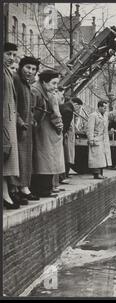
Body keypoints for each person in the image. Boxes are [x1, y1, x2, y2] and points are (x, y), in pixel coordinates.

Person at [10, 56, 41, 203]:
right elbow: (12, 104)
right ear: (21, 66)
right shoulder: (16, 80)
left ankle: (23, 187)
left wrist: (32, 119)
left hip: (26, 128)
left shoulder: (26, 83)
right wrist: (20, 121)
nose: (30, 71)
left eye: (33, 69)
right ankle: (16, 189)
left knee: (25, 158)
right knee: (18, 159)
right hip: (17, 127)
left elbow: (29, 107)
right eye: (28, 67)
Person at [31, 69, 65, 197]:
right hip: (44, 130)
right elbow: (55, 113)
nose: (55, 87)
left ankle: (45, 188)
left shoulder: (43, 90)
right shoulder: (40, 92)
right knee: (46, 160)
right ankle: (44, 189)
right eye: (53, 83)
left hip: (43, 129)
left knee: (44, 161)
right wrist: (59, 126)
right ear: (44, 82)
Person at [87, 100, 116, 179]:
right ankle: (96, 174)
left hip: (103, 139)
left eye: (106, 107)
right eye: (104, 107)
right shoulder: (93, 115)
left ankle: (100, 173)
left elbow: (113, 113)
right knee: (96, 157)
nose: (106, 109)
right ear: (99, 107)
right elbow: (90, 129)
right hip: (96, 138)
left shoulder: (105, 115)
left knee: (102, 157)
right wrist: (91, 139)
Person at [3, 42, 20, 209]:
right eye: (8, 54)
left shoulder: (7, 72)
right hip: (4, 123)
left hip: (9, 123)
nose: (12, 58)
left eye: (14, 55)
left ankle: (7, 192)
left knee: (7, 160)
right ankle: (5, 195)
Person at [59, 97, 83, 179]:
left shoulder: (71, 112)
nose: (78, 109)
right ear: (75, 104)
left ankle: (66, 173)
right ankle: (64, 174)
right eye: (78, 107)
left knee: (69, 156)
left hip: (70, 138)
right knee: (66, 156)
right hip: (67, 138)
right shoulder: (68, 111)